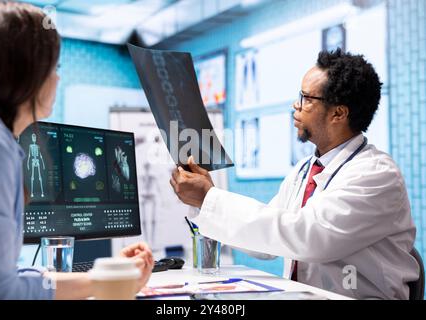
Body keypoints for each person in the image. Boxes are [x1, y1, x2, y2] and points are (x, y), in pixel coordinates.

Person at [170, 49, 420, 299]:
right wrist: (205, 201)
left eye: (306, 98)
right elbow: (265, 243)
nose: (296, 105)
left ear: (338, 114)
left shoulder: (375, 175)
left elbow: (307, 236)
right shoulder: (305, 170)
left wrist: (210, 198)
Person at [0, 0, 154, 299]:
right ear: (23, 71)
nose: (57, 77)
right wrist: (103, 283)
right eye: (53, 67)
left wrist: (106, 276)